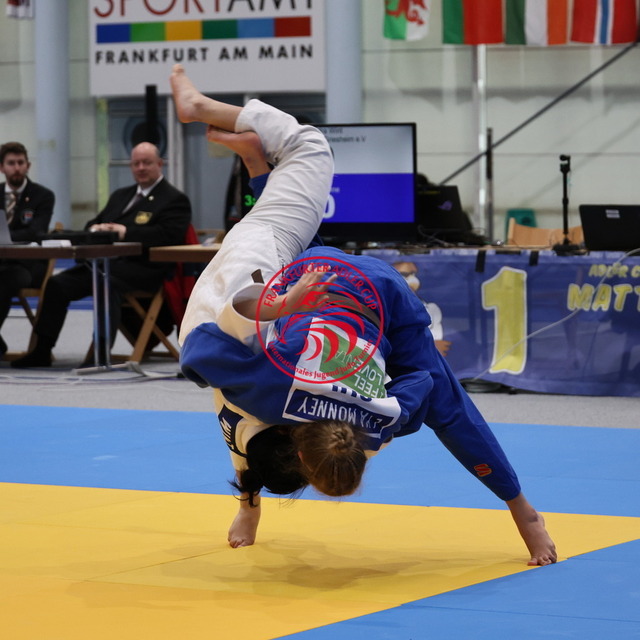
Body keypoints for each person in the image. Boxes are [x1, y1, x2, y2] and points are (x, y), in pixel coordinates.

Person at [170, 65, 556, 566]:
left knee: (446, 404)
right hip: (319, 279)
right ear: (298, 451)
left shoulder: (380, 423)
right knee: (304, 166)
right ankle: (235, 142)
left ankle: (525, 514)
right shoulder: (263, 389)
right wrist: (279, 309)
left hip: (367, 289)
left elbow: (434, 393)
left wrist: (520, 508)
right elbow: (213, 374)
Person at [12, 142, 192, 368]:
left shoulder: (174, 199)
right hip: (104, 264)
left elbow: (168, 235)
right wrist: (96, 228)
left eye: (146, 163)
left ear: (160, 164)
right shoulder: (121, 195)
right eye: (136, 163)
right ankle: (42, 350)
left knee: (106, 284)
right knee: (58, 284)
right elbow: (94, 222)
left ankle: (99, 353)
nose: (141, 168)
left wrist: (125, 232)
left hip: (144, 268)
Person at [0, 142, 55, 358]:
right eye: (11, 163)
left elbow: (35, 232)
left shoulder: (43, 195)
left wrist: (5, 238)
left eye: (20, 163)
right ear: (2, 167)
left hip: (28, 265)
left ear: (28, 165)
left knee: (5, 279)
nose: (16, 168)